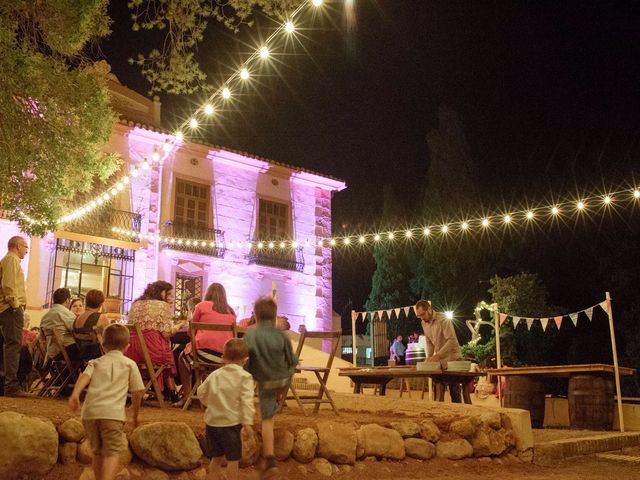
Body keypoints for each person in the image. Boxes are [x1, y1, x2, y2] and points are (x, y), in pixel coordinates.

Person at [69, 323, 145, 480]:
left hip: (90, 413)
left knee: (97, 451)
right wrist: (135, 413)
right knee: (112, 452)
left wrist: (75, 394)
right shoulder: (130, 364)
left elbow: (85, 377)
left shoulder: (95, 362)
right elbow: (137, 391)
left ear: (102, 345)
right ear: (127, 346)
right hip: (112, 415)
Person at [244, 296, 298, 479]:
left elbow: (246, 359)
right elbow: (292, 360)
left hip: (265, 380)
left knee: (267, 420)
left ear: (255, 316)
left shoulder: (251, 335)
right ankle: (277, 399)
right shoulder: (281, 335)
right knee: (271, 401)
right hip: (283, 379)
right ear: (274, 317)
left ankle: (269, 459)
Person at [197, 338, 254, 480]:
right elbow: (247, 401)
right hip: (231, 424)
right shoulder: (245, 377)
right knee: (233, 459)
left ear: (223, 357)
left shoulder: (215, 374)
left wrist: (210, 404)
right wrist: (247, 422)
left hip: (212, 423)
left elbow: (201, 392)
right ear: (245, 360)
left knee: (216, 458)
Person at [177, 283, 236, 407]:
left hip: (201, 354)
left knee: (182, 358)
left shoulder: (201, 306)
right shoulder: (231, 311)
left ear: (208, 293)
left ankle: (187, 396)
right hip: (224, 358)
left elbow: (190, 331)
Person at [127, 281, 183, 403]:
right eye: (168, 294)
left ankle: (164, 391)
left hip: (132, 350)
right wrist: (180, 325)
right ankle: (171, 392)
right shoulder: (162, 306)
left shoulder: (136, 304)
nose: (171, 298)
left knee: (164, 346)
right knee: (167, 351)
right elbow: (167, 333)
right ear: (161, 293)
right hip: (151, 351)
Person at [415, 299, 463, 402]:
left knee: (454, 390)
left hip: (453, 358)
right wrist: (429, 357)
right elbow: (429, 341)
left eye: (422, 314)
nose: (422, 318)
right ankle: (439, 414)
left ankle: (460, 413)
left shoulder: (443, 319)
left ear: (429, 309)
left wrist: (437, 356)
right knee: (437, 387)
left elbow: (452, 341)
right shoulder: (423, 322)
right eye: (419, 316)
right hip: (440, 360)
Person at [0, 236, 29, 397]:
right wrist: (16, 305)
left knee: (9, 345)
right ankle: (11, 386)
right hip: (10, 310)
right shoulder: (11, 260)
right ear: (17, 246)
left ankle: (9, 384)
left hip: (8, 309)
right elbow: (9, 285)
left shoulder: (9, 260)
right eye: (25, 247)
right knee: (13, 345)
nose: (26, 250)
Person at [41, 288, 80, 360]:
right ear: (67, 300)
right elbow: (76, 329)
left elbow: (42, 337)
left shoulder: (44, 317)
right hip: (66, 350)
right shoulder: (66, 313)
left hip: (51, 352)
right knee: (92, 349)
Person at [73, 289, 110, 360]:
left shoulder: (77, 318)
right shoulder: (100, 317)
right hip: (97, 357)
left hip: (80, 357)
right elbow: (110, 338)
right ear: (100, 304)